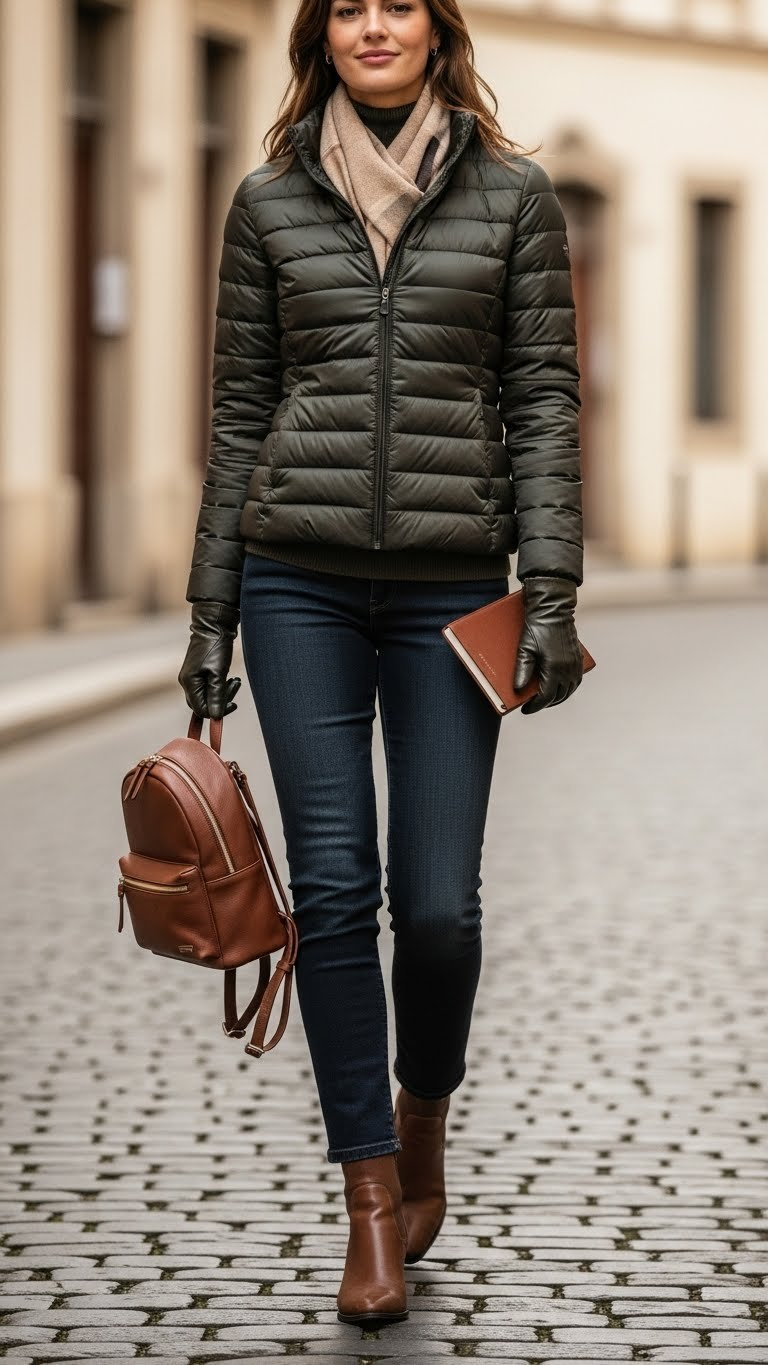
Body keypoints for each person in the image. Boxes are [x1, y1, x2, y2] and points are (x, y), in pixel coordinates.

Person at [178, 0, 584, 1328]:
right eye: (345, 8)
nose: (369, 28)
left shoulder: (515, 199)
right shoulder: (269, 200)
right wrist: (210, 614)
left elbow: (540, 395)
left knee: (443, 907)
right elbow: (241, 405)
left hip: (451, 588)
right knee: (337, 888)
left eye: (392, 5)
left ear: (434, 28)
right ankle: (368, 1200)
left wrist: (552, 587)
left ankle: (423, 1115)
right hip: (296, 578)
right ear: (321, 36)